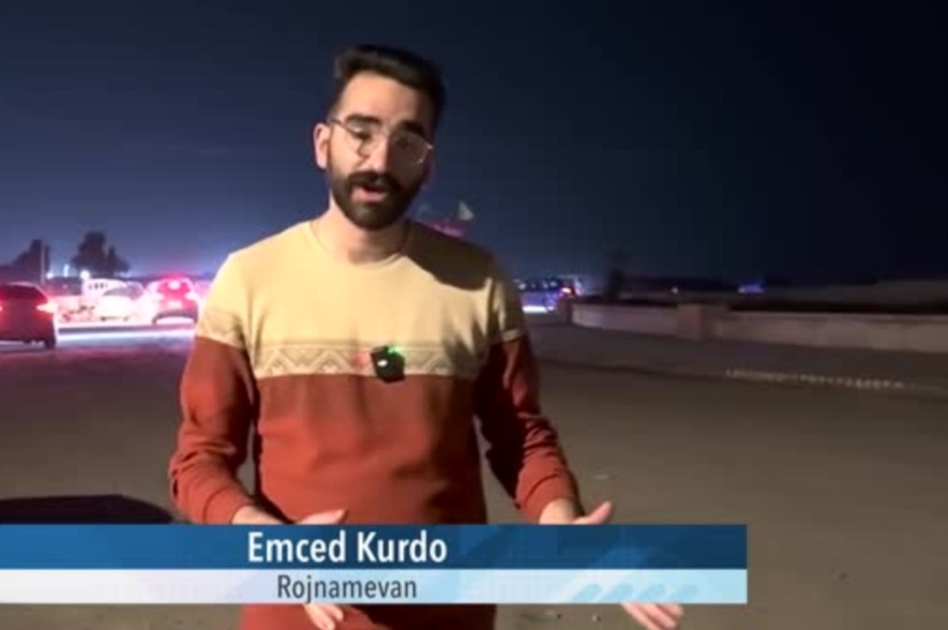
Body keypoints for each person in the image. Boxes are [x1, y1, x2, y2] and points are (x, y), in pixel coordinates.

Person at [168, 44, 684, 630]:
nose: (380, 159)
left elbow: (520, 436)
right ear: (322, 143)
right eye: (361, 132)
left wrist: (561, 522)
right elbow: (199, 462)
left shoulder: (478, 281)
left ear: (427, 165)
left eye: (407, 142)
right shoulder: (249, 279)